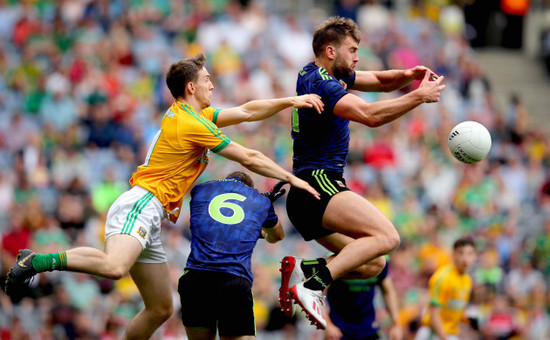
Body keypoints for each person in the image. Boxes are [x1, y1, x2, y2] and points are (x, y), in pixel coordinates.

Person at [4, 53, 322, 340]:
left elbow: (248, 111)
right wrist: (292, 178)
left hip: (152, 213)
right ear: (190, 87)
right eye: (207, 80)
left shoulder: (194, 115)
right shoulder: (190, 122)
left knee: (160, 308)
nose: (212, 84)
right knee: (115, 267)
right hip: (142, 202)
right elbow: (248, 157)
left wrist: (290, 101)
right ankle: (36, 260)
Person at [279, 16, 446, 329]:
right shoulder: (322, 84)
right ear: (331, 51)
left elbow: (382, 82)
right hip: (317, 183)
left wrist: (408, 76)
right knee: (387, 236)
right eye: (352, 50)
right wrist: (418, 96)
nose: (357, 57)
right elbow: (369, 115)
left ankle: (305, 270)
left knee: (373, 263)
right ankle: (312, 286)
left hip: (310, 191)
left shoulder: (321, 74)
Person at [178, 171, 286, 340]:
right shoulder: (260, 201)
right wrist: (260, 217)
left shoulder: (200, 189)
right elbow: (277, 236)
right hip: (232, 281)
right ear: (249, 188)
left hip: (195, 279)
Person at [415, 237, 477, 340]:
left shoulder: (468, 281)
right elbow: (434, 314)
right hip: (433, 333)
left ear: (475, 256)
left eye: (469, 254)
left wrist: (469, 319)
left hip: (449, 334)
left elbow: (455, 308)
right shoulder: (442, 277)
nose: (465, 258)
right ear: (453, 255)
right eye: (461, 253)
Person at [324, 261, 403, 340]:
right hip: (339, 331)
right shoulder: (335, 260)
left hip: (368, 328)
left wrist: (396, 324)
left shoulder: (379, 261)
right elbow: (318, 294)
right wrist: (327, 324)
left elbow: (388, 291)